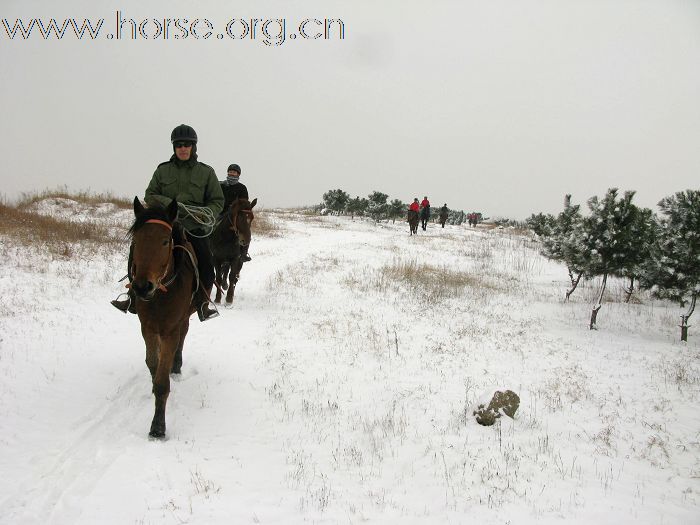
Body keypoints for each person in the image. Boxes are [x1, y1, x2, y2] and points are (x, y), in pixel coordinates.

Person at [111, 124, 225, 322]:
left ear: (193, 147)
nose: (183, 148)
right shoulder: (163, 171)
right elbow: (150, 194)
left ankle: (203, 303)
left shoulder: (206, 173)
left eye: (187, 145)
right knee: (137, 252)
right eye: (179, 145)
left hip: (193, 228)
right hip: (164, 226)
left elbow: (217, 201)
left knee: (207, 263)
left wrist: (206, 214)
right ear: (174, 147)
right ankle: (132, 297)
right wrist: (173, 206)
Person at [219, 163, 251, 262]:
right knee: (210, 227)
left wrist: (234, 209)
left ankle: (243, 253)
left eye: (234, 172)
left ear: (238, 174)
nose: (232, 173)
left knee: (245, 230)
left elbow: (244, 203)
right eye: (230, 171)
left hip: (236, 214)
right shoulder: (221, 185)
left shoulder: (242, 188)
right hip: (221, 212)